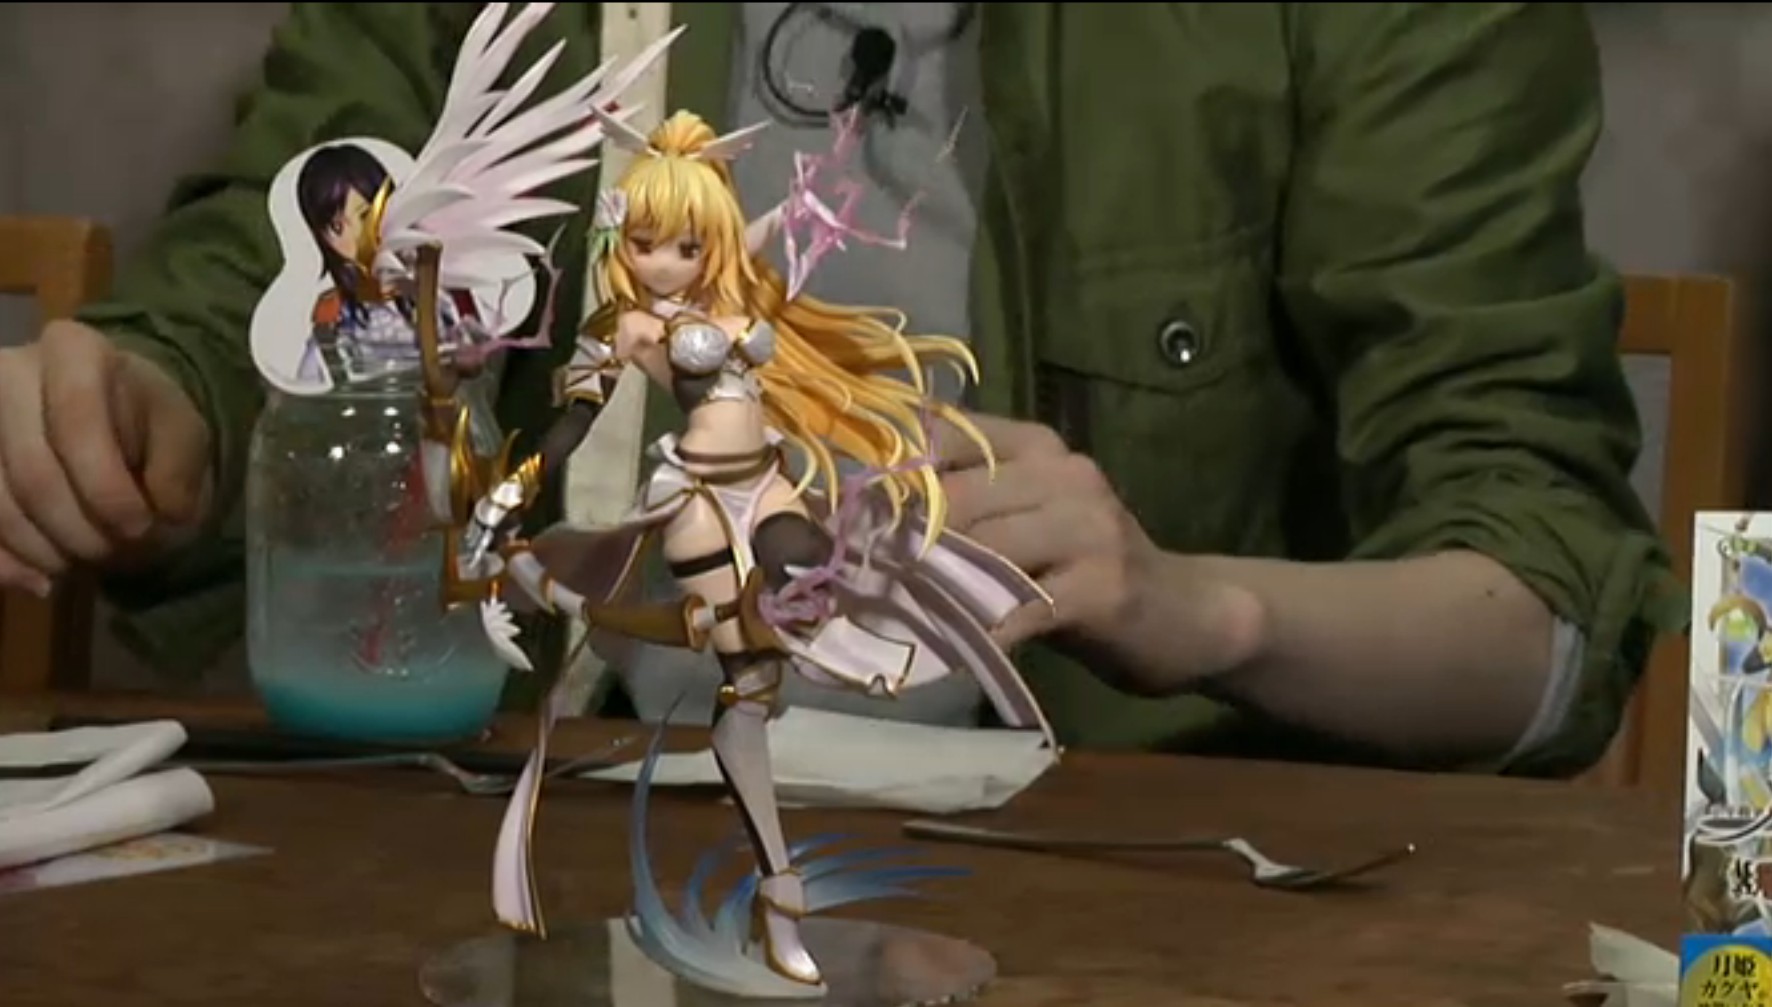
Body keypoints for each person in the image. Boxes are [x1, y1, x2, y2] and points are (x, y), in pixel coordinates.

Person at [0, 3, 1682, 778]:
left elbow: (1544, 619)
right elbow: (258, 289)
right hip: (542, 833)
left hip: (1131, 895)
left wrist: (1201, 610)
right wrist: (139, 408)